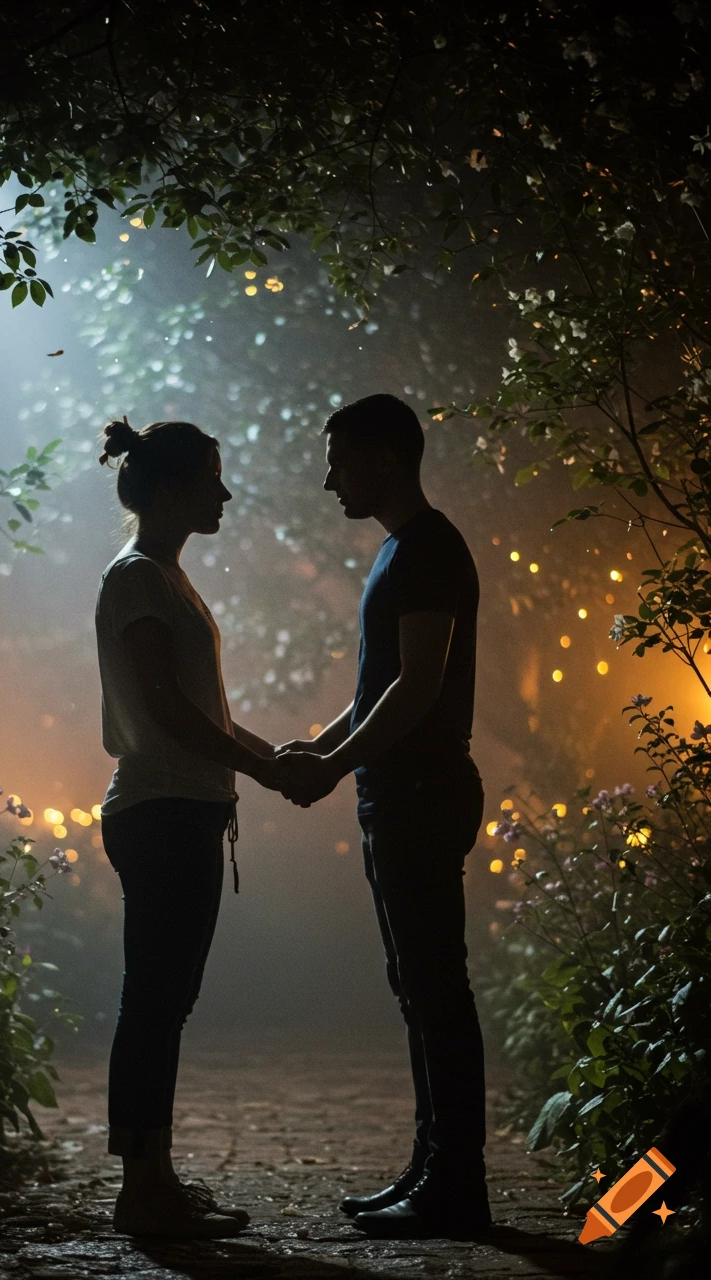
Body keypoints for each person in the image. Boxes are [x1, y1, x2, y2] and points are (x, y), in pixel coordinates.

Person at [276, 393, 491, 1239]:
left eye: (339, 459)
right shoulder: (402, 552)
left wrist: (330, 763)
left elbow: (419, 686)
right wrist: (322, 745)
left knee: (436, 989)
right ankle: (432, 1167)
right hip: (397, 793)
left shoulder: (428, 550)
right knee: (420, 988)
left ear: (384, 459)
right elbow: (379, 687)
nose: (329, 479)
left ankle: (456, 1186)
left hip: (422, 793)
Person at [94, 416, 286, 1239]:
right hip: (163, 809)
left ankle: (153, 1178)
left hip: (181, 807)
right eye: (211, 476)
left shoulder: (164, 578)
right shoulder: (140, 579)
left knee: (162, 1001)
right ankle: (143, 1189)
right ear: (172, 487)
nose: (224, 492)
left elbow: (199, 711)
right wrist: (268, 766)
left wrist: (271, 754)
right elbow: (169, 710)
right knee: (155, 1003)